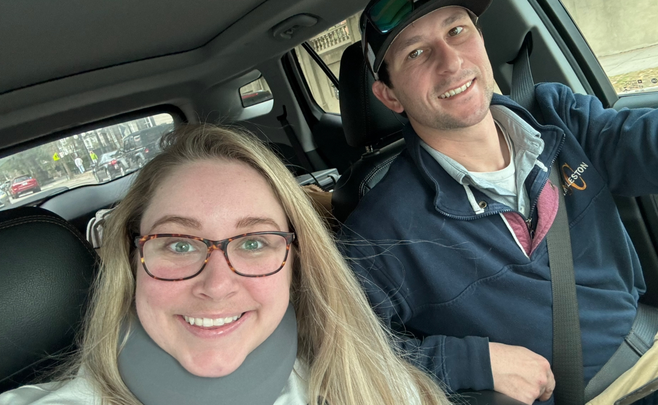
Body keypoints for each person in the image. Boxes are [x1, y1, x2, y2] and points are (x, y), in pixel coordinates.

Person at [339, 0, 658, 404]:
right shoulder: (381, 231)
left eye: (456, 31)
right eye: (416, 52)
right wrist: (471, 362)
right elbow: (343, 357)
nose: (451, 62)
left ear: (480, 38)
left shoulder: (557, 118)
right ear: (389, 96)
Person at [0, 125, 453, 405]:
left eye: (253, 242)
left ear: (297, 263)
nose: (216, 285)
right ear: (132, 258)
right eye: (179, 244)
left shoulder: (379, 388)